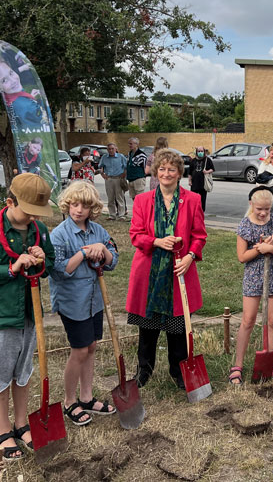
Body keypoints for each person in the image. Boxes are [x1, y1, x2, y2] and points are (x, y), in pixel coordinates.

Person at [0, 173, 55, 461]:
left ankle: (21, 423)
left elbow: (51, 264)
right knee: (0, 373)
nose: (32, 218)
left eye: (37, 213)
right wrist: (12, 268)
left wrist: (43, 258)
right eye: (28, 211)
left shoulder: (39, 229)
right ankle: (3, 430)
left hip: (31, 314)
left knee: (23, 370)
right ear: (10, 202)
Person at [125, 149, 207, 389]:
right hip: (149, 274)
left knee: (178, 328)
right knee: (147, 329)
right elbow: (135, 235)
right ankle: (144, 371)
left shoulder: (192, 200)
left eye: (172, 169)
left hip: (179, 271)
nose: (166, 173)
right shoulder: (142, 200)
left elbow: (199, 236)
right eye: (162, 169)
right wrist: (156, 241)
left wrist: (190, 257)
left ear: (180, 173)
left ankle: (179, 372)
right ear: (155, 171)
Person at [49, 181, 119, 426]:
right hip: (72, 303)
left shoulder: (98, 231)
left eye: (85, 206)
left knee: (91, 347)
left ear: (93, 209)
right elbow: (58, 271)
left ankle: (87, 397)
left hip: (94, 301)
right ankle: (69, 402)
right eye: (74, 204)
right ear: (67, 205)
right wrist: (83, 253)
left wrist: (103, 249)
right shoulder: (59, 234)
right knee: (79, 350)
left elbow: (113, 260)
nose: (78, 210)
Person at [229, 187, 273, 385]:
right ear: (251, 205)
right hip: (253, 277)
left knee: (272, 321)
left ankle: (271, 361)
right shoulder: (245, 225)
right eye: (259, 209)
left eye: (267, 209)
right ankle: (237, 365)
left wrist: (271, 248)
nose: (263, 213)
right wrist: (260, 250)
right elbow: (241, 257)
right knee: (248, 320)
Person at [0, 60, 47, 134]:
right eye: (4, 80)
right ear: (0, 87)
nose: (13, 80)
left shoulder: (13, 96)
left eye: (11, 73)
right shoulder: (26, 106)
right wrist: (42, 99)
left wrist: (30, 97)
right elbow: (44, 121)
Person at [98, 143, 128, 220]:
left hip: (118, 178)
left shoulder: (121, 157)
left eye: (112, 149)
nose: (111, 150)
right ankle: (112, 215)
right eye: (109, 149)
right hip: (109, 179)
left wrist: (124, 174)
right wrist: (102, 174)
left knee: (119, 197)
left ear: (116, 149)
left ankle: (121, 215)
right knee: (110, 198)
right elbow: (100, 167)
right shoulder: (104, 157)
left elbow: (126, 166)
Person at [189, 146, 214, 211]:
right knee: (193, 198)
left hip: (203, 183)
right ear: (196, 152)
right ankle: (193, 210)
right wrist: (190, 181)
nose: (200, 152)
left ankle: (202, 211)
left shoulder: (207, 160)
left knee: (202, 199)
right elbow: (190, 172)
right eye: (199, 151)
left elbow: (212, 169)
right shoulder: (193, 160)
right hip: (194, 183)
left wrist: (207, 172)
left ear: (204, 152)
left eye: (201, 151)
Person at [126, 137, 147, 201]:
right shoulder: (130, 153)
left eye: (131, 144)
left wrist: (143, 176)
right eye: (129, 144)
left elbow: (145, 167)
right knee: (133, 198)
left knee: (140, 198)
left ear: (137, 144)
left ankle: (142, 211)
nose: (130, 145)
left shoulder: (142, 155)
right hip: (130, 179)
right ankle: (137, 210)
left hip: (138, 179)